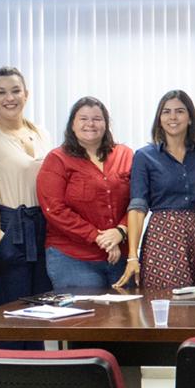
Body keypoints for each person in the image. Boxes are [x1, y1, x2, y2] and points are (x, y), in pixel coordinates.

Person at [0, 67, 52, 347]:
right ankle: (10, 382)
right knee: (11, 315)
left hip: (42, 227)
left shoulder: (40, 132)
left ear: (26, 94)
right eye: (1, 92)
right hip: (9, 228)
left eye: (15, 91)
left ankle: (39, 379)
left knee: (41, 313)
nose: (10, 98)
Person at [116, 90, 195, 290]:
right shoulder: (144, 156)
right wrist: (132, 255)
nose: (173, 117)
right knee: (166, 304)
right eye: (166, 112)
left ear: (190, 118)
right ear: (159, 119)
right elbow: (137, 206)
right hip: (163, 237)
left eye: (179, 111)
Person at [36, 97, 133, 289]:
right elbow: (54, 209)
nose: (90, 124)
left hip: (120, 257)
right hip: (72, 258)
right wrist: (98, 237)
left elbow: (138, 200)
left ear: (106, 124)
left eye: (97, 118)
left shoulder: (125, 154)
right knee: (84, 317)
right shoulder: (57, 159)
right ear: (72, 124)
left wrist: (120, 231)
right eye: (83, 119)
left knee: (125, 317)